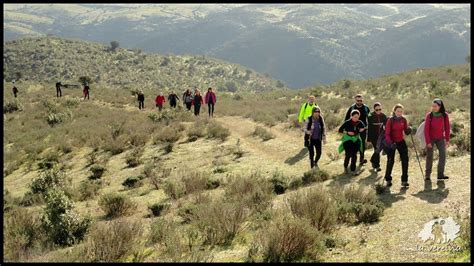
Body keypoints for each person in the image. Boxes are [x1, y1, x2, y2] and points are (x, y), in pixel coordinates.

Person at [384, 104, 413, 188]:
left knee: (405, 160)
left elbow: (406, 131)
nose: (399, 113)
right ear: (394, 111)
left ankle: (404, 180)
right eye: (398, 111)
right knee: (390, 161)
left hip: (401, 141)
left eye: (401, 111)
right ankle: (388, 179)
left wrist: (408, 130)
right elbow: (387, 134)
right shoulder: (390, 120)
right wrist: (390, 143)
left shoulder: (403, 120)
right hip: (391, 143)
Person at [424, 98, 450, 181]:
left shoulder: (445, 115)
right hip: (430, 138)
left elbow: (447, 128)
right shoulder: (429, 115)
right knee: (429, 156)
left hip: (440, 138)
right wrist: (428, 142)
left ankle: (440, 175)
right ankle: (427, 175)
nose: (433, 108)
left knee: (443, 155)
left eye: (435, 106)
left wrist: (447, 140)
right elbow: (426, 130)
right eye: (432, 106)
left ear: (440, 106)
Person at [344, 94, 370, 166]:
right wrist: (347, 130)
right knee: (352, 145)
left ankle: (361, 159)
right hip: (353, 131)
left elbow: (369, 119)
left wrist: (367, 127)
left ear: (363, 100)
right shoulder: (352, 108)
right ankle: (349, 160)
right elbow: (346, 119)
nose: (359, 102)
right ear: (355, 100)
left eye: (361, 100)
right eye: (358, 100)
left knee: (362, 145)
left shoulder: (366, 108)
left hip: (363, 130)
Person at [338, 110, 366, 176]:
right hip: (347, 139)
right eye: (354, 117)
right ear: (351, 116)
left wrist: (362, 129)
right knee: (348, 154)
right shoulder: (347, 122)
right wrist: (347, 132)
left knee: (354, 155)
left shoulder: (360, 122)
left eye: (357, 117)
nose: (356, 118)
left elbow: (363, 128)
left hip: (356, 139)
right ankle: (345, 167)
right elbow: (340, 130)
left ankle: (353, 170)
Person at [367, 102, 387, 172]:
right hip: (373, 136)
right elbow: (369, 127)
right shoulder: (370, 116)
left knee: (378, 150)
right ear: (374, 109)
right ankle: (377, 166)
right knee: (377, 149)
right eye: (376, 109)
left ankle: (372, 160)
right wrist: (368, 139)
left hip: (381, 136)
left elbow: (387, 125)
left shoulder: (384, 116)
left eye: (379, 109)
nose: (378, 111)